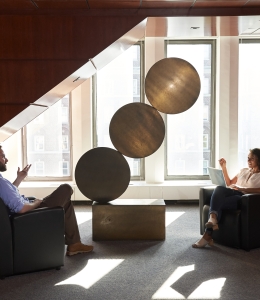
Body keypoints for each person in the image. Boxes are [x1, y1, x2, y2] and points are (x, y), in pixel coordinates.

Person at [0, 145, 93, 256]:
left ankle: (74, 244)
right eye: (3, 156)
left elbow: (10, 195)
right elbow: (21, 209)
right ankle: (74, 243)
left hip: (26, 213)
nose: (6, 160)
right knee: (66, 188)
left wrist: (20, 178)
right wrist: (36, 203)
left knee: (66, 202)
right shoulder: (0, 182)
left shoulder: (1, 181)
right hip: (27, 217)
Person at [192, 148, 260, 248]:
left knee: (215, 203)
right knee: (219, 188)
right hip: (233, 192)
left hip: (244, 198)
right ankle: (213, 219)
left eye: (252, 158)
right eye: (248, 158)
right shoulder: (243, 171)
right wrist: (224, 168)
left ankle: (208, 234)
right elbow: (229, 183)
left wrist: (243, 188)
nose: (249, 160)